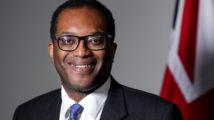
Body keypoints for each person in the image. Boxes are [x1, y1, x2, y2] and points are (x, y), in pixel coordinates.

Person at [13, 0, 182, 120]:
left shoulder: (158, 115)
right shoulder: (26, 114)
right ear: (52, 51)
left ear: (112, 50)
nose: (81, 52)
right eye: (68, 41)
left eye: (95, 40)